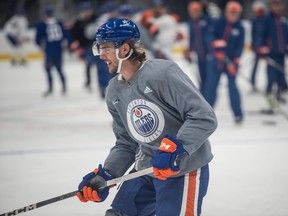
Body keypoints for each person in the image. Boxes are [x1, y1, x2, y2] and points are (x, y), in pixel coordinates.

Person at [76, 18, 217, 216]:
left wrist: (175, 148)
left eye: (106, 48)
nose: (101, 55)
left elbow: (203, 116)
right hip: (145, 170)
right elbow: (126, 143)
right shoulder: (114, 91)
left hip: (182, 170)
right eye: (98, 48)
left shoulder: (163, 73)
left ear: (124, 49)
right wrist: (108, 173)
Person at [204, 1, 245, 124]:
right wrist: (215, 46)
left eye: (235, 13)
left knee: (233, 87)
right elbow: (209, 37)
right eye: (231, 13)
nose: (233, 15)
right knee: (211, 87)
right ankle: (205, 114)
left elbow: (240, 46)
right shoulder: (218, 23)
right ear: (226, 12)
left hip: (230, 62)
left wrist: (236, 60)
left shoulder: (240, 27)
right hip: (216, 62)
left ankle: (238, 114)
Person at [70, 2, 114, 97]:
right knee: (92, 66)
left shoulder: (96, 18)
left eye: (88, 10)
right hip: (87, 48)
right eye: (84, 11)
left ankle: (104, 87)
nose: (86, 13)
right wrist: (77, 47)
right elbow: (74, 36)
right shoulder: (78, 22)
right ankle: (92, 84)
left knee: (103, 67)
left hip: (98, 47)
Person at [35, 7, 69, 97]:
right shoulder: (59, 22)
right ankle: (64, 87)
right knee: (59, 68)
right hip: (59, 49)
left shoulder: (42, 24)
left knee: (48, 69)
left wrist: (40, 45)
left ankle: (50, 88)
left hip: (49, 50)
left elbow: (38, 39)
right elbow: (66, 35)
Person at [262, 0, 288, 107]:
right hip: (271, 53)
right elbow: (262, 34)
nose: (277, 7)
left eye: (279, 4)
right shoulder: (268, 19)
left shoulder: (283, 18)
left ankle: (279, 94)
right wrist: (262, 49)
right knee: (271, 76)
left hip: (281, 53)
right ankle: (269, 96)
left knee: (280, 76)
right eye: (275, 4)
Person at [185, 1, 214, 94]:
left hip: (208, 54)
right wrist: (189, 50)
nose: (193, 14)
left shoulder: (207, 20)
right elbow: (192, 38)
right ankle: (203, 94)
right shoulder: (191, 23)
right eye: (191, 12)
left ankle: (207, 95)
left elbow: (212, 35)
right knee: (201, 76)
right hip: (199, 54)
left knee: (209, 78)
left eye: (195, 11)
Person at [250, 1, 268, 92]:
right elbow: (253, 34)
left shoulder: (266, 20)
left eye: (259, 10)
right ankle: (252, 82)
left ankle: (272, 85)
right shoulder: (254, 21)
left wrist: (266, 46)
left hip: (265, 48)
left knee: (270, 67)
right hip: (257, 47)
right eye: (256, 10)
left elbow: (267, 34)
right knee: (255, 66)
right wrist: (253, 45)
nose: (258, 12)